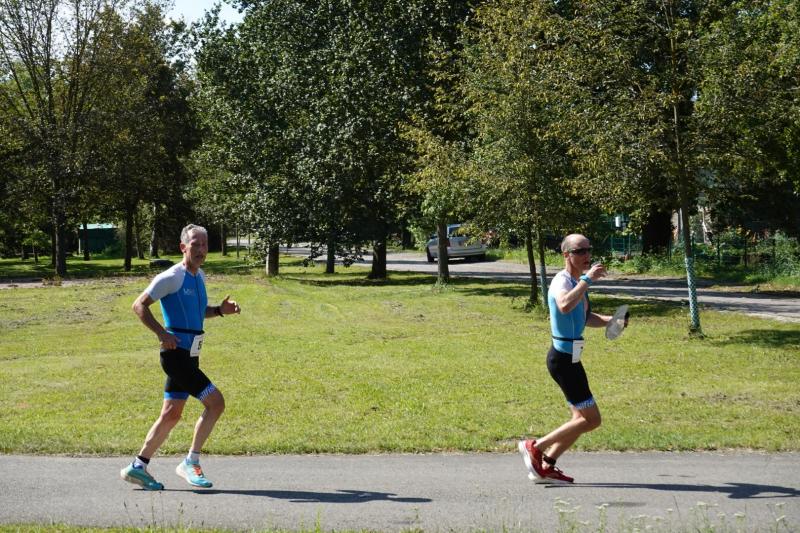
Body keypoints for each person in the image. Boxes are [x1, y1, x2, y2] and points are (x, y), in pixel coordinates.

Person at [120, 224, 241, 490]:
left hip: (190, 354)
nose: (201, 250)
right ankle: (190, 461)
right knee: (216, 403)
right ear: (183, 247)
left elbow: (198, 312)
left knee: (171, 414)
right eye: (195, 244)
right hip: (176, 356)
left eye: (205, 245)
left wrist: (220, 311)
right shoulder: (172, 276)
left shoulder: (199, 276)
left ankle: (138, 466)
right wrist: (161, 333)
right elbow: (138, 305)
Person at [518, 233, 626, 484]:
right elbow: (564, 305)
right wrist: (587, 280)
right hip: (563, 361)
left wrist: (612, 321)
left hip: (571, 359)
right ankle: (535, 446)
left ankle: (547, 465)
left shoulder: (576, 282)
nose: (587, 255)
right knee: (592, 420)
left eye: (589, 249)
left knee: (580, 419)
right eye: (580, 251)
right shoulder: (562, 281)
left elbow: (584, 318)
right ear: (566, 255)